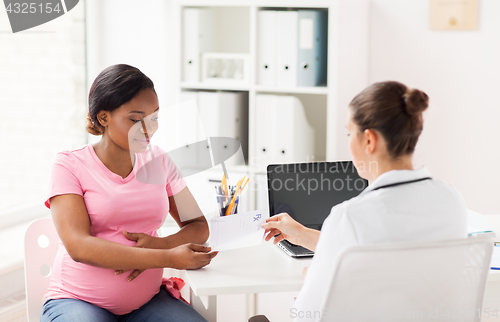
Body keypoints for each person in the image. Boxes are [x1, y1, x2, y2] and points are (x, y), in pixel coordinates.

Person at [262, 81, 467, 320]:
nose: (348, 143)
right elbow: (387, 256)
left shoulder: (351, 216)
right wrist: (302, 234)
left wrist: (311, 278)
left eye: (350, 133)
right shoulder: (452, 200)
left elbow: (308, 316)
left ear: (369, 140)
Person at [41, 64, 216, 321]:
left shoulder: (160, 161)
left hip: (148, 302)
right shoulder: (69, 165)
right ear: (104, 118)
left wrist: (161, 244)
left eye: (154, 117)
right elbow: (79, 246)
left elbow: (199, 226)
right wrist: (164, 257)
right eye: (135, 119)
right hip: (78, 300)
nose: (148, 129)